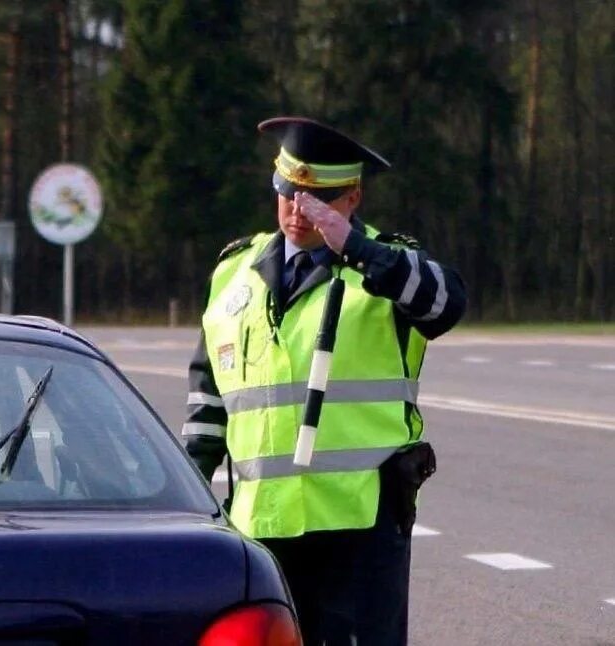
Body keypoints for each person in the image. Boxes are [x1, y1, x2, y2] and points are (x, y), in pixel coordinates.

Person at [183, 117, 466, 645]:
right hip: (260, 525)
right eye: (289, 193)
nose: (298, 210)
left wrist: (356, 248)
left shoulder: (387, 265)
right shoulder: (234, 271)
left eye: (317, 199)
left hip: (358, 524)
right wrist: (188, 492)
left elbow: (447, 304)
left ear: (353, 197)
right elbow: (209, 395)